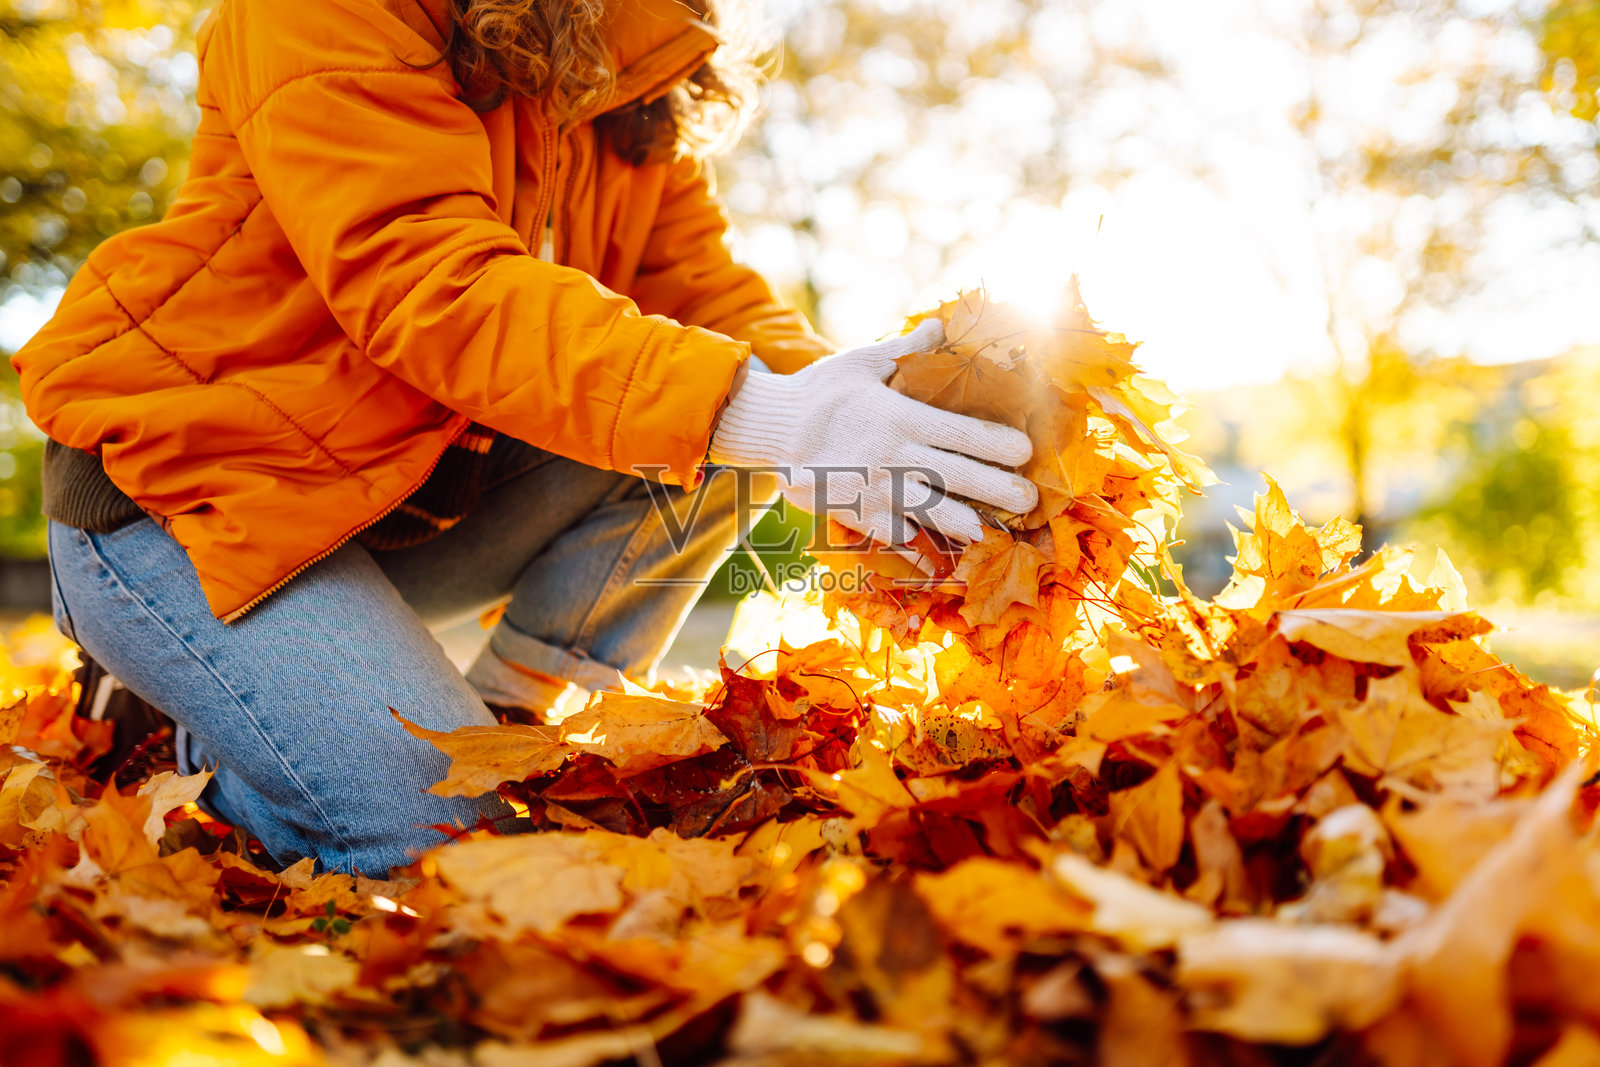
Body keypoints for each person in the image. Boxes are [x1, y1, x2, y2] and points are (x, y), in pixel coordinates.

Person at [11, 0, 1037, 875]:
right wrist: (779, 413)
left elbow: (708, 300)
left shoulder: (638, 54)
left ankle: (518, 737)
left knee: (725, 418)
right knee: (441, 841)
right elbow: (422, 279)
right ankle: (199, 739)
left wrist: (858, 408)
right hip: (189, 491)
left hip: (395, 497)